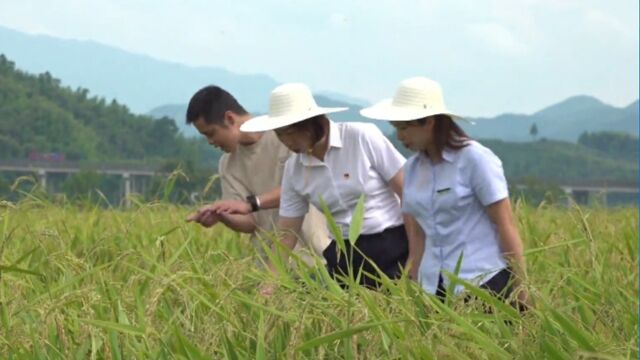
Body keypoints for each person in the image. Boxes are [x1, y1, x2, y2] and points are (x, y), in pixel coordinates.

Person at [360, 77, 529, 308]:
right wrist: (416, 285)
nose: (399, 136)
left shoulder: (475, 159)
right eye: (396, 128)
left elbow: (505, 224)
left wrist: (522, 291)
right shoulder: (412, 169)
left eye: (404, 127)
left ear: (428, 122)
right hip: (434, 287)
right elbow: (419, 233)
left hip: (483, 282)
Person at [230, 82, 411, 293]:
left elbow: (409, 194)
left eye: (290, 132)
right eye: (279, 134)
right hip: (343, 254)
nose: (286, 141)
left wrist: (417, 255)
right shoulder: (294, 169)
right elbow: (287, 233)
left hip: (392, 244)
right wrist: (269, 283)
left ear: (313, 123)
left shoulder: (361, 137)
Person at [184, 85, 329, 262]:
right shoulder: (227, 165)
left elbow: (305, 186)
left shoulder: (287, 136)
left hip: (314, 259)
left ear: (229, 118)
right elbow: (250, 222)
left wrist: (253, 203)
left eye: (211, 133)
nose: (210, 142)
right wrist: (221, 214)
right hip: (270, 267)